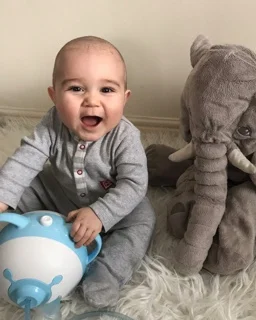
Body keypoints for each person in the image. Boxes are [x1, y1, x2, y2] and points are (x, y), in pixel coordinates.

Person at [0, 36, 156, 308]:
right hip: (60, 193)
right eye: (76, 88)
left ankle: (106, 273)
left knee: (142, 221)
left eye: (107, 90)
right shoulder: (52, 123)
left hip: (116, 205)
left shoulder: (125, 137)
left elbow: (134, 184)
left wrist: (100, 213)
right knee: (24, 184)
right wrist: (4, 195)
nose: (91, 101)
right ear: (55, 96)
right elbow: (27, 158)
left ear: (125, 98)